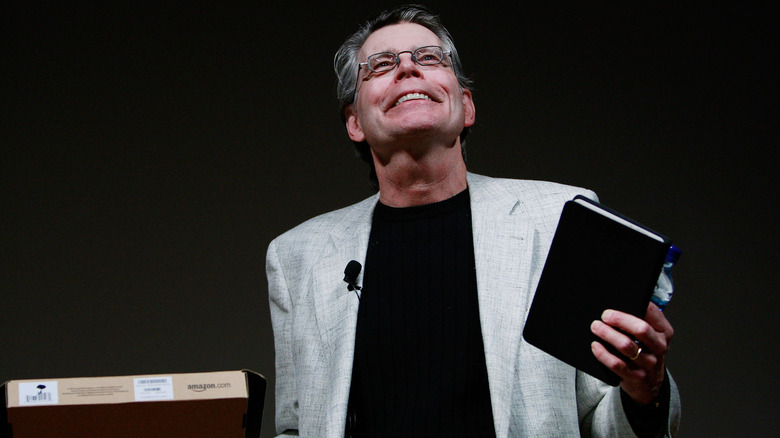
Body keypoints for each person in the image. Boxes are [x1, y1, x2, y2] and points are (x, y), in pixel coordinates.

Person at [267, 5, 680, 437]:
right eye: (381, 64)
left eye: (429, 57)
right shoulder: (297, 256)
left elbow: (603, 421)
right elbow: (295, 428)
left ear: (466, 106)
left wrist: (645, 393)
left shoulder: (561, 217)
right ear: (354, 122)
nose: (407, 67)